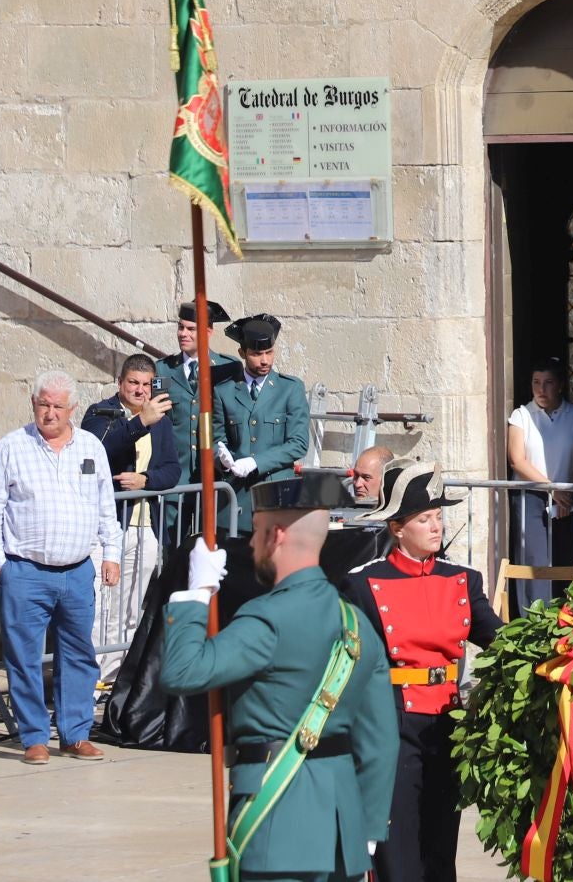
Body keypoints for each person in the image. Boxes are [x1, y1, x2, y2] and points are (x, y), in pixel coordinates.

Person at [164, 470, 397, 882]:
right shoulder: (357, 625)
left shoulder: (266, 619)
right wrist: (369, 830)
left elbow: (183, 670)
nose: (252, 542)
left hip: (273, 825)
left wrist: (196, 593)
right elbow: (379, 741)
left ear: (277, 535)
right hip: (344, 835)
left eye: (255, 531)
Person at [341, 465, 502, 882]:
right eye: (424, 518)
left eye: (438, 515)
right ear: (397, 527)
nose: (436, 525)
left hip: (446, 722)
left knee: (439, 848)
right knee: (397, 849)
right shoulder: (363, 583)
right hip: (390, 723)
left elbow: (505, 643)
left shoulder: (464, 580)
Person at [0, 370, 122, 765]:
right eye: (44, 405)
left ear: (72, 409)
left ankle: (75, 734)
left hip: (77, 571)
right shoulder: (11, 447)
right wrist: (0, 565)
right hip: (25, 570)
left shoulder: (91, 446)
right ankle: (34, 737)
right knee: (23, 657)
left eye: (58, 406)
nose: (50, 413)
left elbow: (106, 507)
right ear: (33, 405)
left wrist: (111, 553)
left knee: (79, 654)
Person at [81, 353, 183, 685]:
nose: (140, 391)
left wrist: (146, 481)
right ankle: (94, 679)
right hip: (110, 526)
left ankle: (117, 679)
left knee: (131, 608)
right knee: (103, 606)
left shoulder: (162, 420)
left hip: (146, 525)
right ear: (120, 383)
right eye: (133, 383)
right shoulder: (102, 413)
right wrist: (139, 423)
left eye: (146, 384)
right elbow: (97, 450)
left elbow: (172, 469)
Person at [505, 356, 573, 611]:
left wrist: (565, 491)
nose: (541, 390)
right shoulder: (521, 416)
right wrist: (551, 489)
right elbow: (517, 460)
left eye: (548, 383)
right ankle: (532, 621)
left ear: (560, 386)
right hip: (532, 497)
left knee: (565, 558)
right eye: (536, 383)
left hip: (567, 496)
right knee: (534, 561)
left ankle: (565, 621)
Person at [213, 313, 311, 533]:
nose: (265, 360)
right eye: (257, 354)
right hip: (236, 501)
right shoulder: (224, 392)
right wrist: (223, 460)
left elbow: (298, 443)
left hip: (276, 498)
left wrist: (256, 462)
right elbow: (216, 440)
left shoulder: (290, 389)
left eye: (269, 352)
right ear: (242, 353)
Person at [155, 298, 237, 484]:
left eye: (191, 329)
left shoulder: (228, 367)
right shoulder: (163, 370)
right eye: (180, 327)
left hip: (214, 477)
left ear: (208, 332)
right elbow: (157, 419)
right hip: (174, 479)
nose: (183, 334)